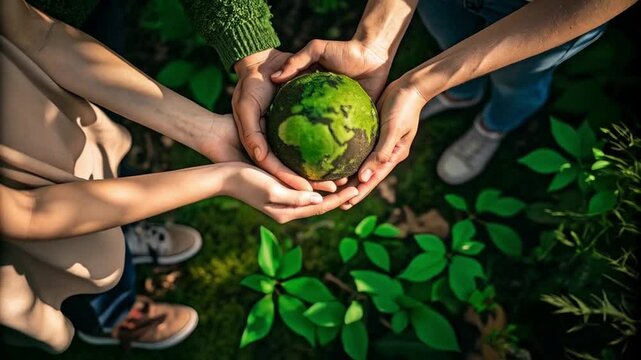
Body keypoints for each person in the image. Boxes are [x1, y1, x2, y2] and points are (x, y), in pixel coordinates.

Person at [0, 0, 359, 353]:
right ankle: (107, 315)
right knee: (65, 257)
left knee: (99, 144)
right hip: (30, 213)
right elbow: (27, 214)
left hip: (41, 82)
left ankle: (125, 232)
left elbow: (36, 34)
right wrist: (223, 179)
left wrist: (210, 129)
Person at [263, 0, 637, 207]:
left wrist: (420, 87)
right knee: (448, 37)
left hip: (547, 15)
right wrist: (375, 42)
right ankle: (462, 93)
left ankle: (495, 123)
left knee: (517, 81)